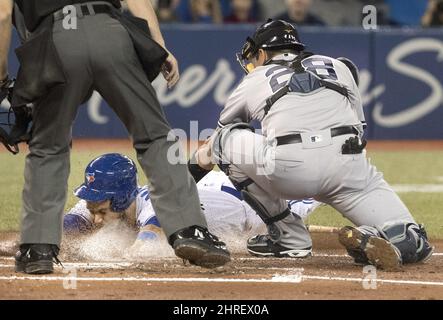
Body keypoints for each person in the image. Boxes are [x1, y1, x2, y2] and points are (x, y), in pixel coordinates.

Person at [0, 0, 230, 275]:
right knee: (155, 137)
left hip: (55, 39)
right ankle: (189, 229)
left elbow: (2, 14)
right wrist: (159, 44)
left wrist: (1, 78)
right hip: (109, 30)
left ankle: (37, 248)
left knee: (48, 148)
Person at [189, 19, 434, 269]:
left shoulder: (256, 78)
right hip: (349, 168)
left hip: (291, 170)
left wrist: (186, 176)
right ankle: (386, 237)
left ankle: (289, 237)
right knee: (414, 239)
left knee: (224, 139)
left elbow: (218, 138)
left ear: (262, 53)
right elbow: (360, 130)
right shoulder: (339, 66)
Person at [64, 153, 320, 257]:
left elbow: (144, 250)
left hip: (254, 205)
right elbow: (64, 227)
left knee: (316, 190)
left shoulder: (154, 204)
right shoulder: (102, 200)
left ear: (120, 198)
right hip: (211, 189)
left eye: (101, 212)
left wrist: (96, 250)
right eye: (92, 211)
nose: (95, 219)